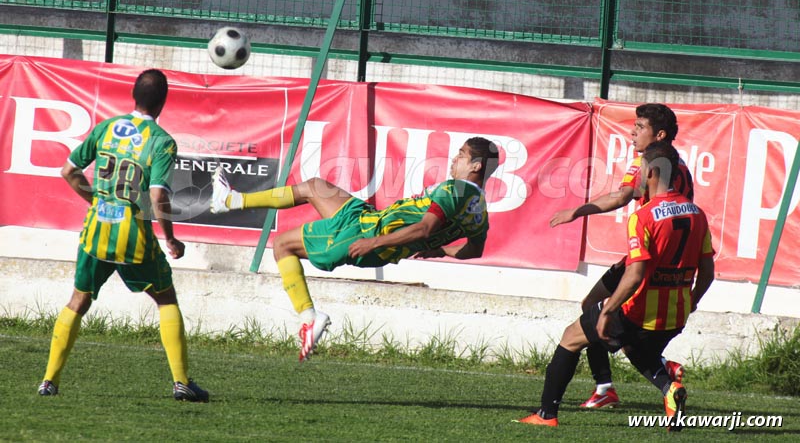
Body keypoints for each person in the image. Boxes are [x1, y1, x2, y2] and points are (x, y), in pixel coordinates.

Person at [210, 137, 499, 361]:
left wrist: (375, 242)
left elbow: (424, 228)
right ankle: (231, 200)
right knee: (314, 187)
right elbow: (474, 250)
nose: (454, 159)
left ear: (476, 166)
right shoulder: (480, 211)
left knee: (282, 244)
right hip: (369, 220)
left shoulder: (456, 189)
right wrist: (441, 250)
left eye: (461, 154)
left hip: (367, 233)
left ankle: (310, 318)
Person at [518, 141, 715, 430]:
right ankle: (669, 388)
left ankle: (546, 415)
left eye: (641, 169)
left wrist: (609, 309)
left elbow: (634, 275)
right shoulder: (697, 214)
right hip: (675, 315)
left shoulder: (643, 216)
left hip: (639, 311)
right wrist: (692, 301)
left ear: (651, 173)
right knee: (637, 350)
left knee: (571, 337)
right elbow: (707, 272)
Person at [38, 69, 209, 402]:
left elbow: (68, 171)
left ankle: (49, 381)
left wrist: (96, 200)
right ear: (163, 101)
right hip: (133, 236)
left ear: (133, 95)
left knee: (78, 300)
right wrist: (170, 239)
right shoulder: (161, 141)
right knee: (165, 298)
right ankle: (181, 382)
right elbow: (157, 195)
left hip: (96, 232)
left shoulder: (106, 128)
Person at [549, 103, 693, 408]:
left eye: (640, 127)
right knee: (593, 307)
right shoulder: (680, 165)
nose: (632, 132)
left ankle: (622, 383)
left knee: (609, 321)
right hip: (661, 264)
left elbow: (622, 196)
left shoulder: (648, 163)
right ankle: (615, 384)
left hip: (643, 261)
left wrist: (578, 210)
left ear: (660, 135)